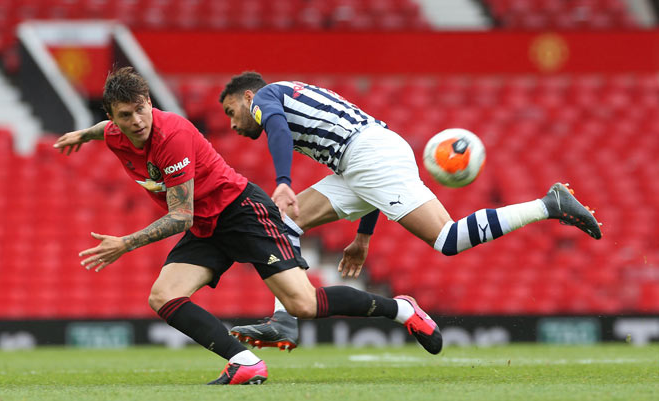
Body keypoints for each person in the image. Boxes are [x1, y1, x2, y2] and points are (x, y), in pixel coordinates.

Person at [53, 67, 443, 385]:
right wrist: (80, 135)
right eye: (125, 115)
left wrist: (124, 243)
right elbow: (102, 131)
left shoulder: (171, 135)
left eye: (141, 109)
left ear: (150, 103)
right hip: (208, 226)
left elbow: (180, 216)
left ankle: (401, 310)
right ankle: (245, 363)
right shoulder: (113, 133)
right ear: (112, 118)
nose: (137, 121)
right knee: (163, 296)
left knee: (302, 305)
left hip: (240, 211)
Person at [220, 71, 603, 350]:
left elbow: (278, 128)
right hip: (362, 157)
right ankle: (284, 322)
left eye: (231, 110)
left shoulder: (266, 97)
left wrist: (284, 179)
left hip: (367, 156)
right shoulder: (288, 93)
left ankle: (547, 204)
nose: (232, 122)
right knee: (281, 219)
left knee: (447, 239)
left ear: (247, 96)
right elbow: (359, 168)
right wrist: (364, 236)